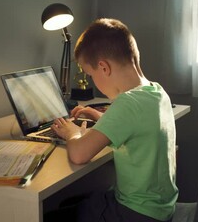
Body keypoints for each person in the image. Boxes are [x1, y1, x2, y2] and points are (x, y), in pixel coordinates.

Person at [48, 18, 178, 222]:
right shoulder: (156, 92)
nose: (92, 81)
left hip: (135, 213)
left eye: (90, 75)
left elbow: (79, 155)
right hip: (159, 208)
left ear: (104, 68)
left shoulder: (127, 102)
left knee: (54, 216)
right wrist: (97, 115)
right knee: (75, 203)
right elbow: (134, 126)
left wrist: (71, 133)